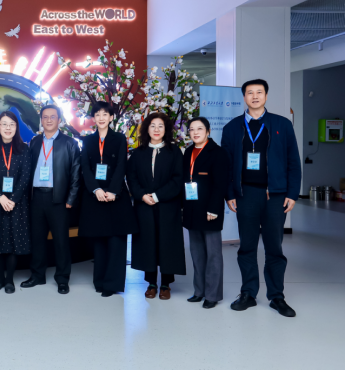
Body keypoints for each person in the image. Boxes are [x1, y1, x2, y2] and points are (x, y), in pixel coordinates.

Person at [222, 79, 301, 318]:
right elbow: (226, 166)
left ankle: (277, 296)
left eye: (259, 92)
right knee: (247, 246)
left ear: (266, 95)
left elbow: (293, 161)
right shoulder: (232, 127)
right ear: (244, 97)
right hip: (246, 194)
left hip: (275, 195)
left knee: (274, 247)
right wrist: (229, 193)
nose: (255, 96)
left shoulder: (282, 124)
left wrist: (292, 193)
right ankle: (248, 293)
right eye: (250, 92)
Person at [79, 102, 138, 297]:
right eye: (97, 114)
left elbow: (122, 165)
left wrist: (113, 190)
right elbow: (85, 167)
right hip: (95, 196)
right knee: (100, 241)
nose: (101, 118)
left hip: (116, 196)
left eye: (105, 114)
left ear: (111, 117)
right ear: (93, 118)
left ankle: (112, 284)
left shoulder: (119, 138)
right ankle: (100, 281)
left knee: (116, 241)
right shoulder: (88, 140)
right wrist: (95, 189)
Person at [21, 105, 80, 295]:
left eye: (52, 117)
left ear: (59, 120)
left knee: (61, 241)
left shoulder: (69, 143)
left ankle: (62, 278)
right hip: (36, 197)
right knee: (37, 239)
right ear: (41, 120)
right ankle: (37, 275)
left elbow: (76, 173)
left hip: (59, 198)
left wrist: (71, 198)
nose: (48, 120)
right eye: (45, 117)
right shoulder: (35, 141)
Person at [127, 112, 185, 300]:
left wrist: (158, 195)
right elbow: (131, 178)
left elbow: (178, 179)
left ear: (166, 129)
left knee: (167, 243)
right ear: (147, 129)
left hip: (168, 205)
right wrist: (142, 195)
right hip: (144, 205)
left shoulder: (174, 151)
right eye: (153, 125)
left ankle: (166, 284)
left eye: (161, 125)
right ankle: (151, 283)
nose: (157, 129)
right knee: (147, 243)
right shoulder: (138, 153)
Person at [0, 111, 31, 294]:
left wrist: (13, 199)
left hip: (17, 203)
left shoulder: (24, 149)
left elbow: (25, 176)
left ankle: (9, 280)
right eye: (4, 124)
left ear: (16, 127)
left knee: (13, 241)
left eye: (12, 124)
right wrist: (0, 196)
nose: (8, 128)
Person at [183, 117, 230, 310]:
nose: (195, 133)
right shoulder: (188, 152)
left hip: (209, 210)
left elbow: (221, 184)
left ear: (208, 131)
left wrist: (214, 208)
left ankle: (212, 295)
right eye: (192, 129)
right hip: (191, 209)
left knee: (213, 255)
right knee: (197, 253)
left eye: (200, 129)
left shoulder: (218, 153)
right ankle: (199, 291)